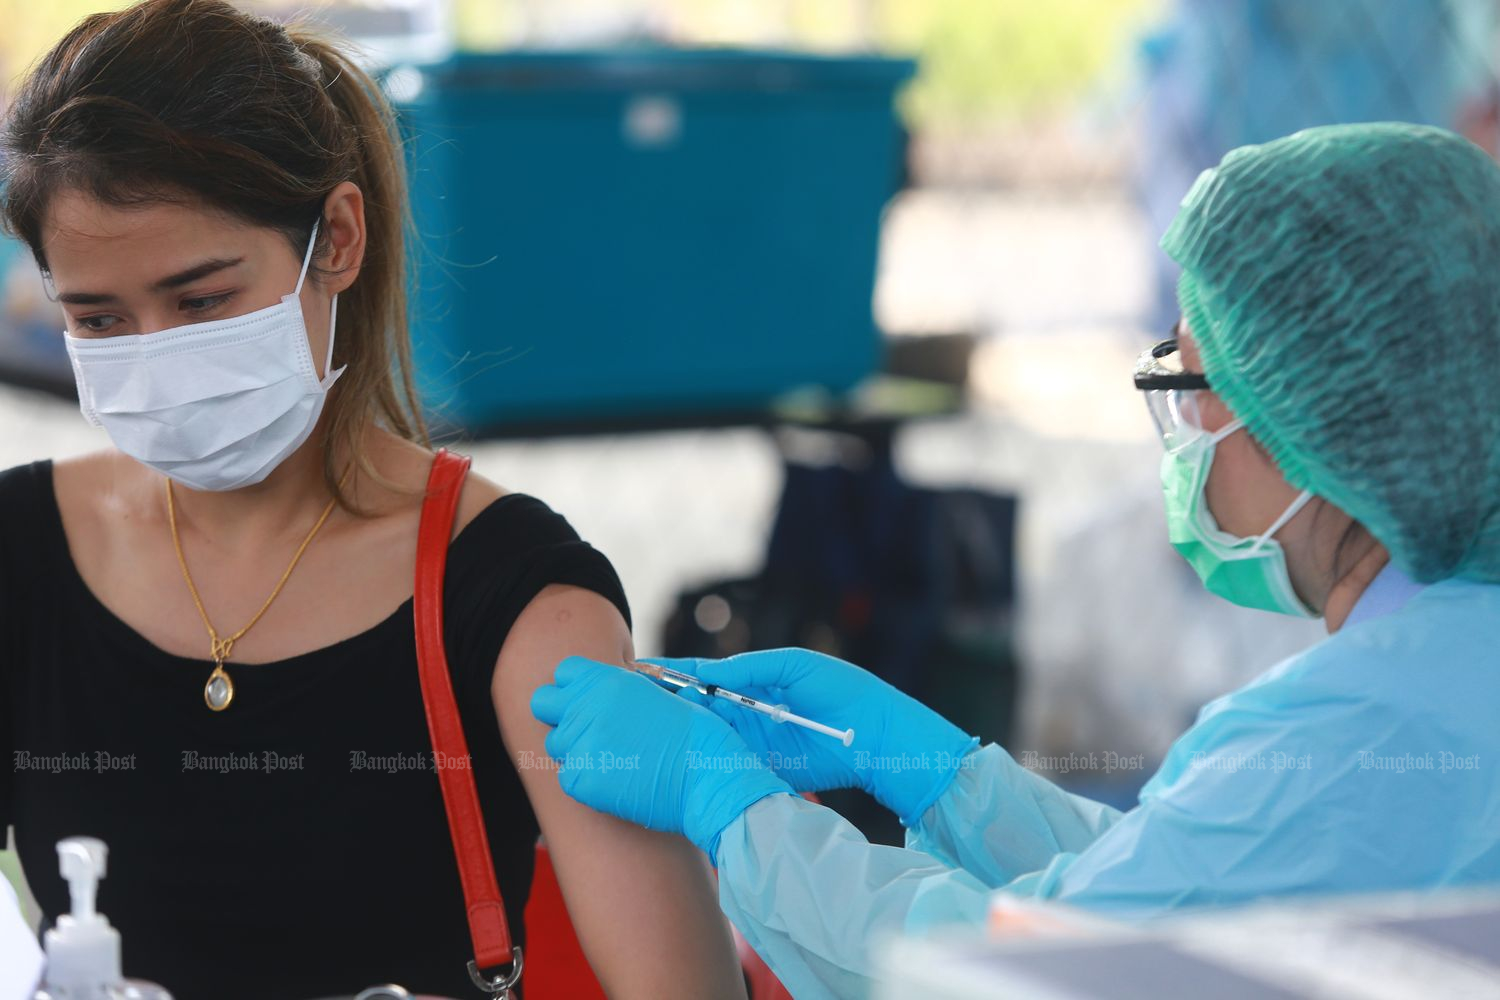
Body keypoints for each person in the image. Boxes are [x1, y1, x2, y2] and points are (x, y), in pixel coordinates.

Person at [532, 121, 1500, 998]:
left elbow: (1017, 974)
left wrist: (730, 807)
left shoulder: (1352, 733)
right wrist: (936, 773)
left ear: (1315, 419)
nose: (1184, 434)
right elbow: (1170, 890)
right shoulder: (1445, 665)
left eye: (1196, 383)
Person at [0, 1, 746, 997]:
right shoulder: (19, 555)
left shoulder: (519, 598)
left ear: (337, 239)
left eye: (202, 300)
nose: (156, 355)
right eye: (98, 318)